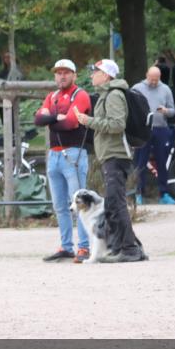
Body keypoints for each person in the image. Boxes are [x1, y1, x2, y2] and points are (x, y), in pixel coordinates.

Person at [74, 59, 145, 263]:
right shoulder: (107, 94)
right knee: (114, 204)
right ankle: (126, 247)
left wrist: (89, 122)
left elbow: (117, 124)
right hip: (110, 154)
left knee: (116, 204)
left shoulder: (113, 95)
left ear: (106, 75)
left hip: (116, 155)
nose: (91, 75)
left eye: (95, 71)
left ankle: (130, 249)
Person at [34, 59, 93, 263]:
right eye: (58, 73)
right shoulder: (53, 96)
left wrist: (52, 118)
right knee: (60, 205)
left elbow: (70, 122)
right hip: (54, 154)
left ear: (74, 75)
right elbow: (38, 119)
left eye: (66, 72)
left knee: (79, 203)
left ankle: (84, 247)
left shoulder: (81, 95)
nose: (62, 76)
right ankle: (66, 246)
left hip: (74, 153)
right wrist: (56, 118)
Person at [132, 66, 175, 205]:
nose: (153, 82)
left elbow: (173, 111)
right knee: (140, 162)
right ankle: (138, 193)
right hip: (143, 129)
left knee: (162, 161)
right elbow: (131, 108)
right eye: (151, 79)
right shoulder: (137, 88)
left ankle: (164, 193)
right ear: (147, 75)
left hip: (161, 128)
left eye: (156, 80)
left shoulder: (165, 89)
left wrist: (166, 111)